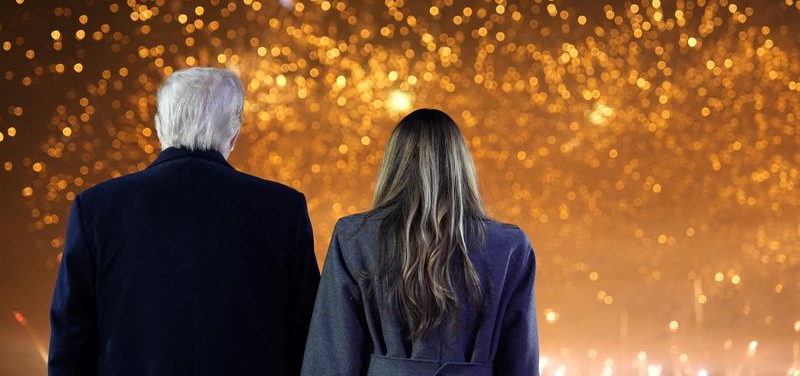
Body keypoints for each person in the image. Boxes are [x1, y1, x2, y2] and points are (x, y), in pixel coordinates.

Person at [49, 67, 320, 376]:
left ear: (159, 126)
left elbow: (72, 336)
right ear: (234, 134)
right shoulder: (283, 209)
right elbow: (308, 336)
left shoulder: (96, 207)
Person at [302, 108, 539, 376]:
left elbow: (331, 358)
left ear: (394, 163)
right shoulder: (509, 246)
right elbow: (521, 362)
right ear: (461, 164)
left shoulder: (354, 236)